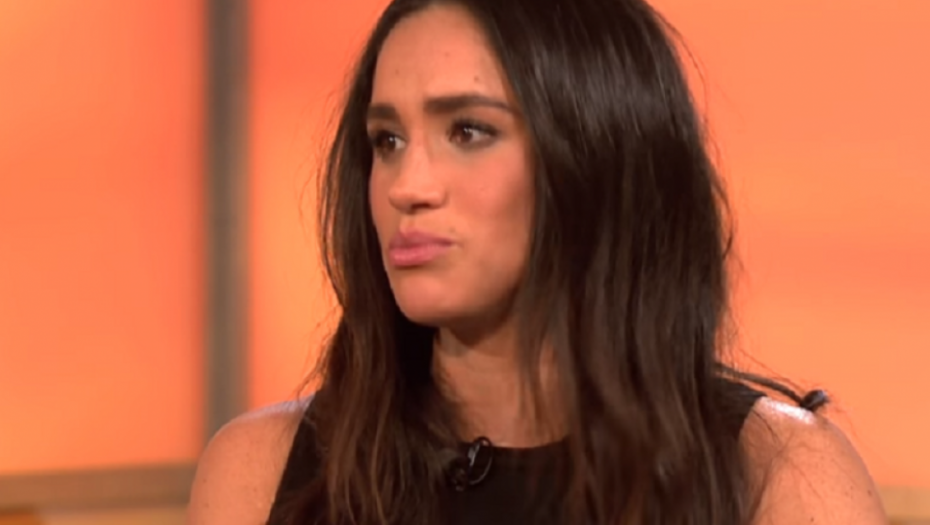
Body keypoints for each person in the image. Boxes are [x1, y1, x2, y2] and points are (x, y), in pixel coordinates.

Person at [188, 0, 887, 523]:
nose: (406, 186)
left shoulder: (778, 475)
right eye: (388, 140)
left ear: (597, 154)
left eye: (468, 131)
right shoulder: (261, 473)